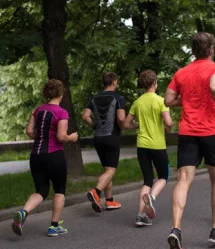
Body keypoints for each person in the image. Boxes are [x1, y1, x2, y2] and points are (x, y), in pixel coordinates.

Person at [164, 32, 215, 249]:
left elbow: (168, 100)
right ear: (211, 48)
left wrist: (189, 98)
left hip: (188, 133)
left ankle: (176, 229)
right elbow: (214, 86)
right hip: (212, 132)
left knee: (183, 180)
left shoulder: (181, 72)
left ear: (193, 50)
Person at [11, 79, 78, 237]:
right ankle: (54, 226)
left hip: (36, 156)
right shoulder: (61, 112)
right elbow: (61, 137)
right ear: (61, 93)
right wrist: (72, 137)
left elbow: (29, 131)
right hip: (54, 156)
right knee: (59, 190)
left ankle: (24, 212)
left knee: (41, 190)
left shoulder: (38, 110)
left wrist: (41, 137)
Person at [123, 70, 172, 227]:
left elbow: (126, 124)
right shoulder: (160, 101)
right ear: (155, 83)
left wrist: (140, 124)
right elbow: (169, 123)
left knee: (147, 179)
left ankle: (140, 215)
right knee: (164, 175)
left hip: (142, 146)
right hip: (157, 145)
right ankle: (152, 197)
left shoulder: (137, 102)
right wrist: (167, 129)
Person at [82, 72, 125, 212]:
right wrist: (121, 128)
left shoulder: (93, 98)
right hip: (111, 136)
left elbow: (85, 116)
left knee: (107, 169)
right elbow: (121, 117)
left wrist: (94, 126)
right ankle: (96, 192)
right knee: (111, 170)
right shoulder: (118, 97)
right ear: (113, 82)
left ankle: (109, 201)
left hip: (98, 138)